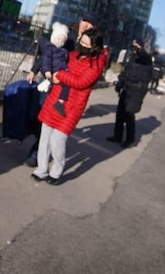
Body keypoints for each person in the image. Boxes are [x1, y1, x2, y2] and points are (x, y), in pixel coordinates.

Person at [30, 27, 107, 184]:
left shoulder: (97, 64)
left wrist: (60, 75)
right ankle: (42, 169)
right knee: (44, 138)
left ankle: (57, 171)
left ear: (95, 47)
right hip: (54, 100)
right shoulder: (71, 55)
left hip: (72, 106)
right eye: (81, 41)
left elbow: (81, 82)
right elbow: (55, 63)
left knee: (58, 140)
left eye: (86, 44)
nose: (82, 45)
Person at [24, 12, 99, 166]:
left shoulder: (91, 44)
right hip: (48, 80)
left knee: (50, 122)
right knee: (35, 114)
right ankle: (37, 145)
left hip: (65, 90)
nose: (85, 24)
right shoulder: (68, 36)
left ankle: (36, 153)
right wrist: (34, 70)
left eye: (90, 23)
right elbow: (48, 53)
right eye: (84, 20)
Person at [107, 38, 152, 148]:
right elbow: (125, 72)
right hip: (127, 88)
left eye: (136, 46)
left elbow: (144, 56)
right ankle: (117, 135)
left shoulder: (146, 59)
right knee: (120, 113)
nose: (134, 48)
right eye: (133, 46)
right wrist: (119, 84)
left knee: (129, 114)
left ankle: (130, 139)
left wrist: (140, 50)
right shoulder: (131, 58)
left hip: (137, 90)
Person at [40, 22, 71, 116]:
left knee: (66, 85)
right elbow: (46, 60)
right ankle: (56, 103)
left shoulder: (63, 51)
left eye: (63, 40)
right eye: (59, 38)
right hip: (52, 73)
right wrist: (47, 71)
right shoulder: (49, 49)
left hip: (59, 73)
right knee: (44, 93)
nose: (61, 41)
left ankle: (60, 102)